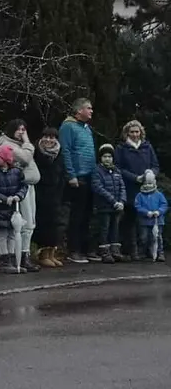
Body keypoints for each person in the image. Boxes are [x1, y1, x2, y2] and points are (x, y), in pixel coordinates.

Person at [0, 119, 40, 271]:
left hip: (30, 185)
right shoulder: (6, 144)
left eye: (24, 129)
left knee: (30, 222)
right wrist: (28, 142)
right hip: (18, 187)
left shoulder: (20, 144)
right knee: (22, 223)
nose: (21, 132)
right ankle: (19, 257)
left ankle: (25, 254)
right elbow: (26, 158)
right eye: (18, 129)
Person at [114, 119, 159, 261]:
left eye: (137, 131)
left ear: (141, 133)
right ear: (127, 133)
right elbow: (118, 168)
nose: (135, 134)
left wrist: (151, 175)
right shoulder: (121, 149)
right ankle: (132, 250)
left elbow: (155, 165)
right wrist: (135, 178)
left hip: (147, 189)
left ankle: (147, 250)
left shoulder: (148, 147)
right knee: (130, 220)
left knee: (146, 219)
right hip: (129, 188)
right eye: (132, 132)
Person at [59, 99, 97, 264]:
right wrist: (71, 174)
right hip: (77, 176)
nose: (91, 111)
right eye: (88, 108)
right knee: (77, 215)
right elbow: (65, 151)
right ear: (78, 110)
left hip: (90, 175)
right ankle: (73, 250)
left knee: (87, 214)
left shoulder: (87, 128)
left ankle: (85, 248)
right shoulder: (68, 127)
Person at [0, 144, 29, 274]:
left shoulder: (17, 171)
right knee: (2, 234)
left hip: (13, 209)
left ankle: (12, 258)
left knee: (12, 233)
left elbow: (24, 186)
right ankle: (4, 259)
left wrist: (18, 196)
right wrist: (4, 199)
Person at [33, 127, 67, 267]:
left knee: (56, 223)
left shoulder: (59, 153)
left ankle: (52, 253)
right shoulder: (36, 152)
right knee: (43, 224)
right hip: (40, 192)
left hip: (56, 192)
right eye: (46, 137)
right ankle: (43, 255)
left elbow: (62, 171)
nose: (48, 140)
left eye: (52, 137)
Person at [91, 143, 126, 264]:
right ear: (100, 157)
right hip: (104, 206)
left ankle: (115, 250)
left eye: (110, 156)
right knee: (104, 228)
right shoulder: (97, 171)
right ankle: (104, 251)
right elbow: (98, 188)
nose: (107, 159)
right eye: (105, 156)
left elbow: (122, 187)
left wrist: (121, 201)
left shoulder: (116, 170)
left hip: (116, 206)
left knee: (115, 228)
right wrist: (113, 201)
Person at [133, 170, 166, 262]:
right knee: (143, 237)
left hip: (157, 220)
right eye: (146, 183)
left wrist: (159, 212)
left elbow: (164, 205)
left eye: (150, 183)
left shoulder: (159, 194)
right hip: (144, 221)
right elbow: (137, 206)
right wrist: (146, 212)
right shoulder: (139, 195)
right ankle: (142, 253)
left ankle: (160, 253)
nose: (148, 185)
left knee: (157, 237)